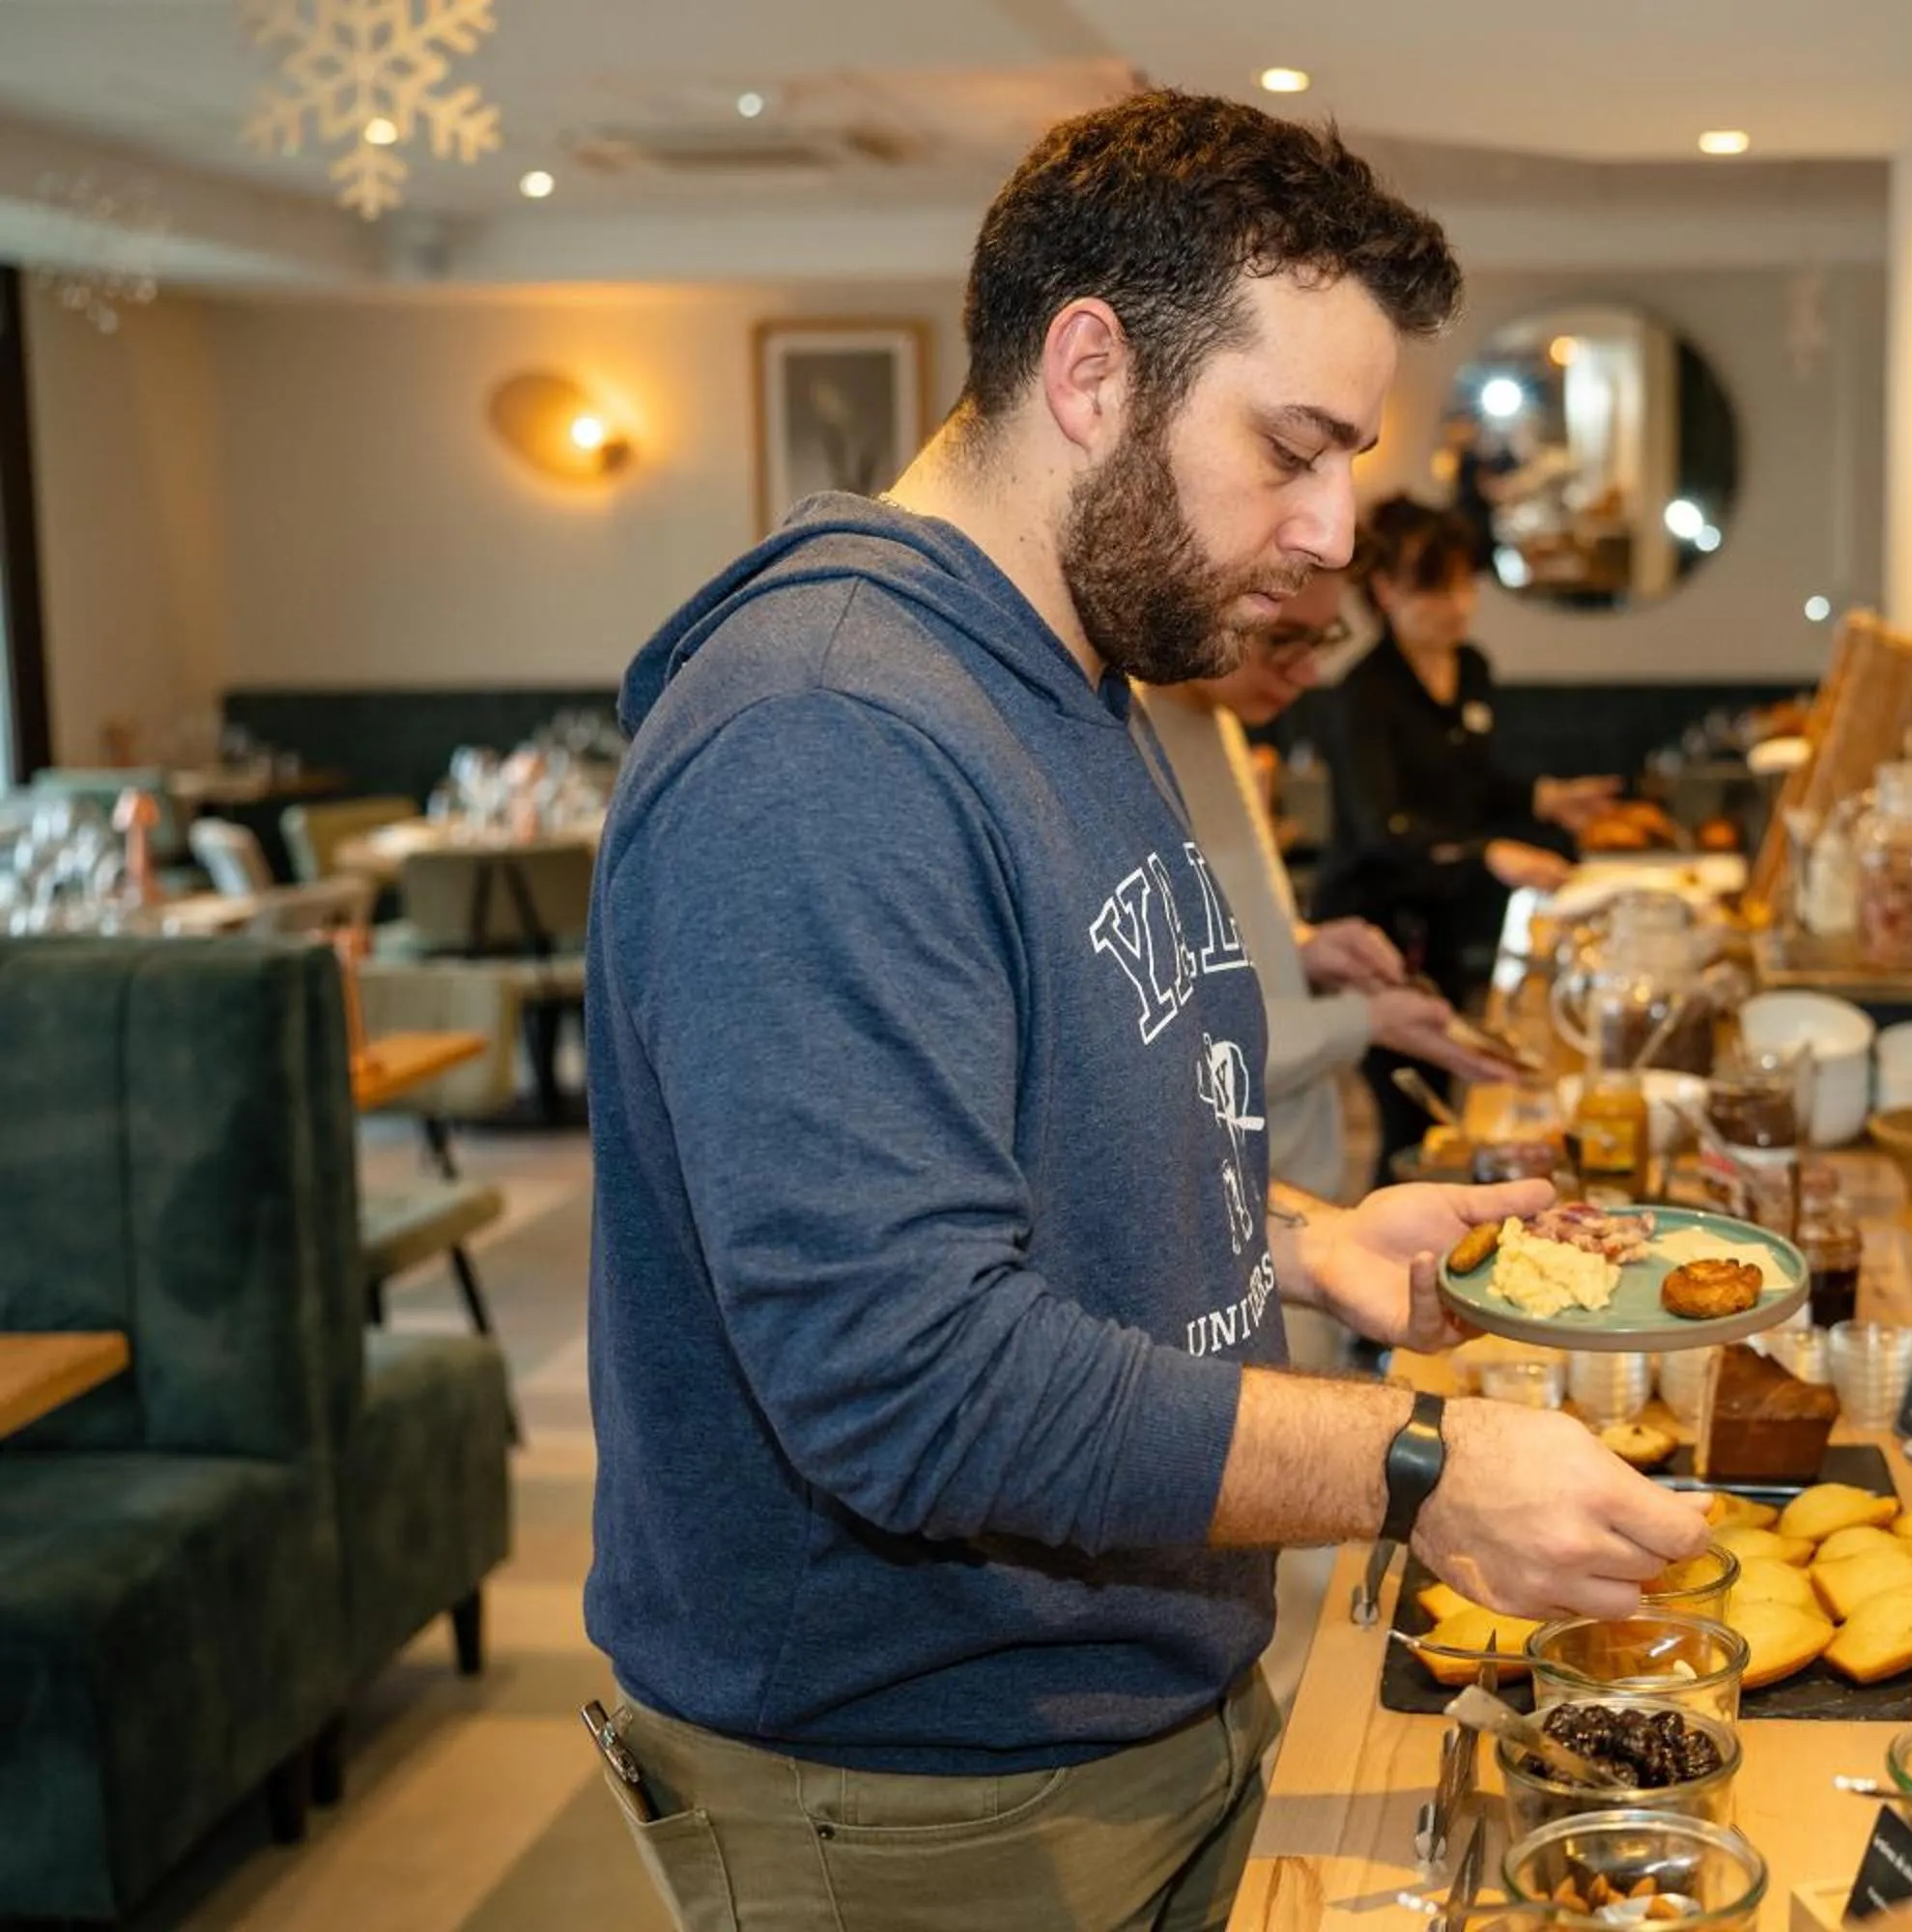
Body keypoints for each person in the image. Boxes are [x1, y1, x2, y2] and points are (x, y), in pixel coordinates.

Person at [581, 91, 1707, 1932]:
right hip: (919, 1791)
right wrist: (1413, 1467)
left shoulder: (1066, 674)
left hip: (1121, 1704)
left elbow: (1033, 1143)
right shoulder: (827, 732)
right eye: (1293, 447)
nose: (1338, 529)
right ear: (1091, 371)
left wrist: (1309, 1247)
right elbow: (904, 1378)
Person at [1141, 571, 1515, 1200]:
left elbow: (1219, 942)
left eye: (1324, 638)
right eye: (1284, 639)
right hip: (1224, 1200)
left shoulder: (1220, 717)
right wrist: (1363, 1019)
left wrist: (1302, 948)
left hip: (1295, 1172)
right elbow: (1180, 1041)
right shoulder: (1129, 745)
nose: (1310, 673)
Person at [1312, 496, 1619, 1165]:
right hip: (1370, 932)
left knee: (1445, 1097)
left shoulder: (1471, 668)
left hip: (1441, 918)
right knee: (1402, 1110)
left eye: (1464, 583)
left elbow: (1472, 781)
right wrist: (1491, 853)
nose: (1458, 604)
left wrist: (1545, 798)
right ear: (1386, 591)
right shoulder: (1363, 696)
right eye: (1435, 587)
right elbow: (1380, 827)